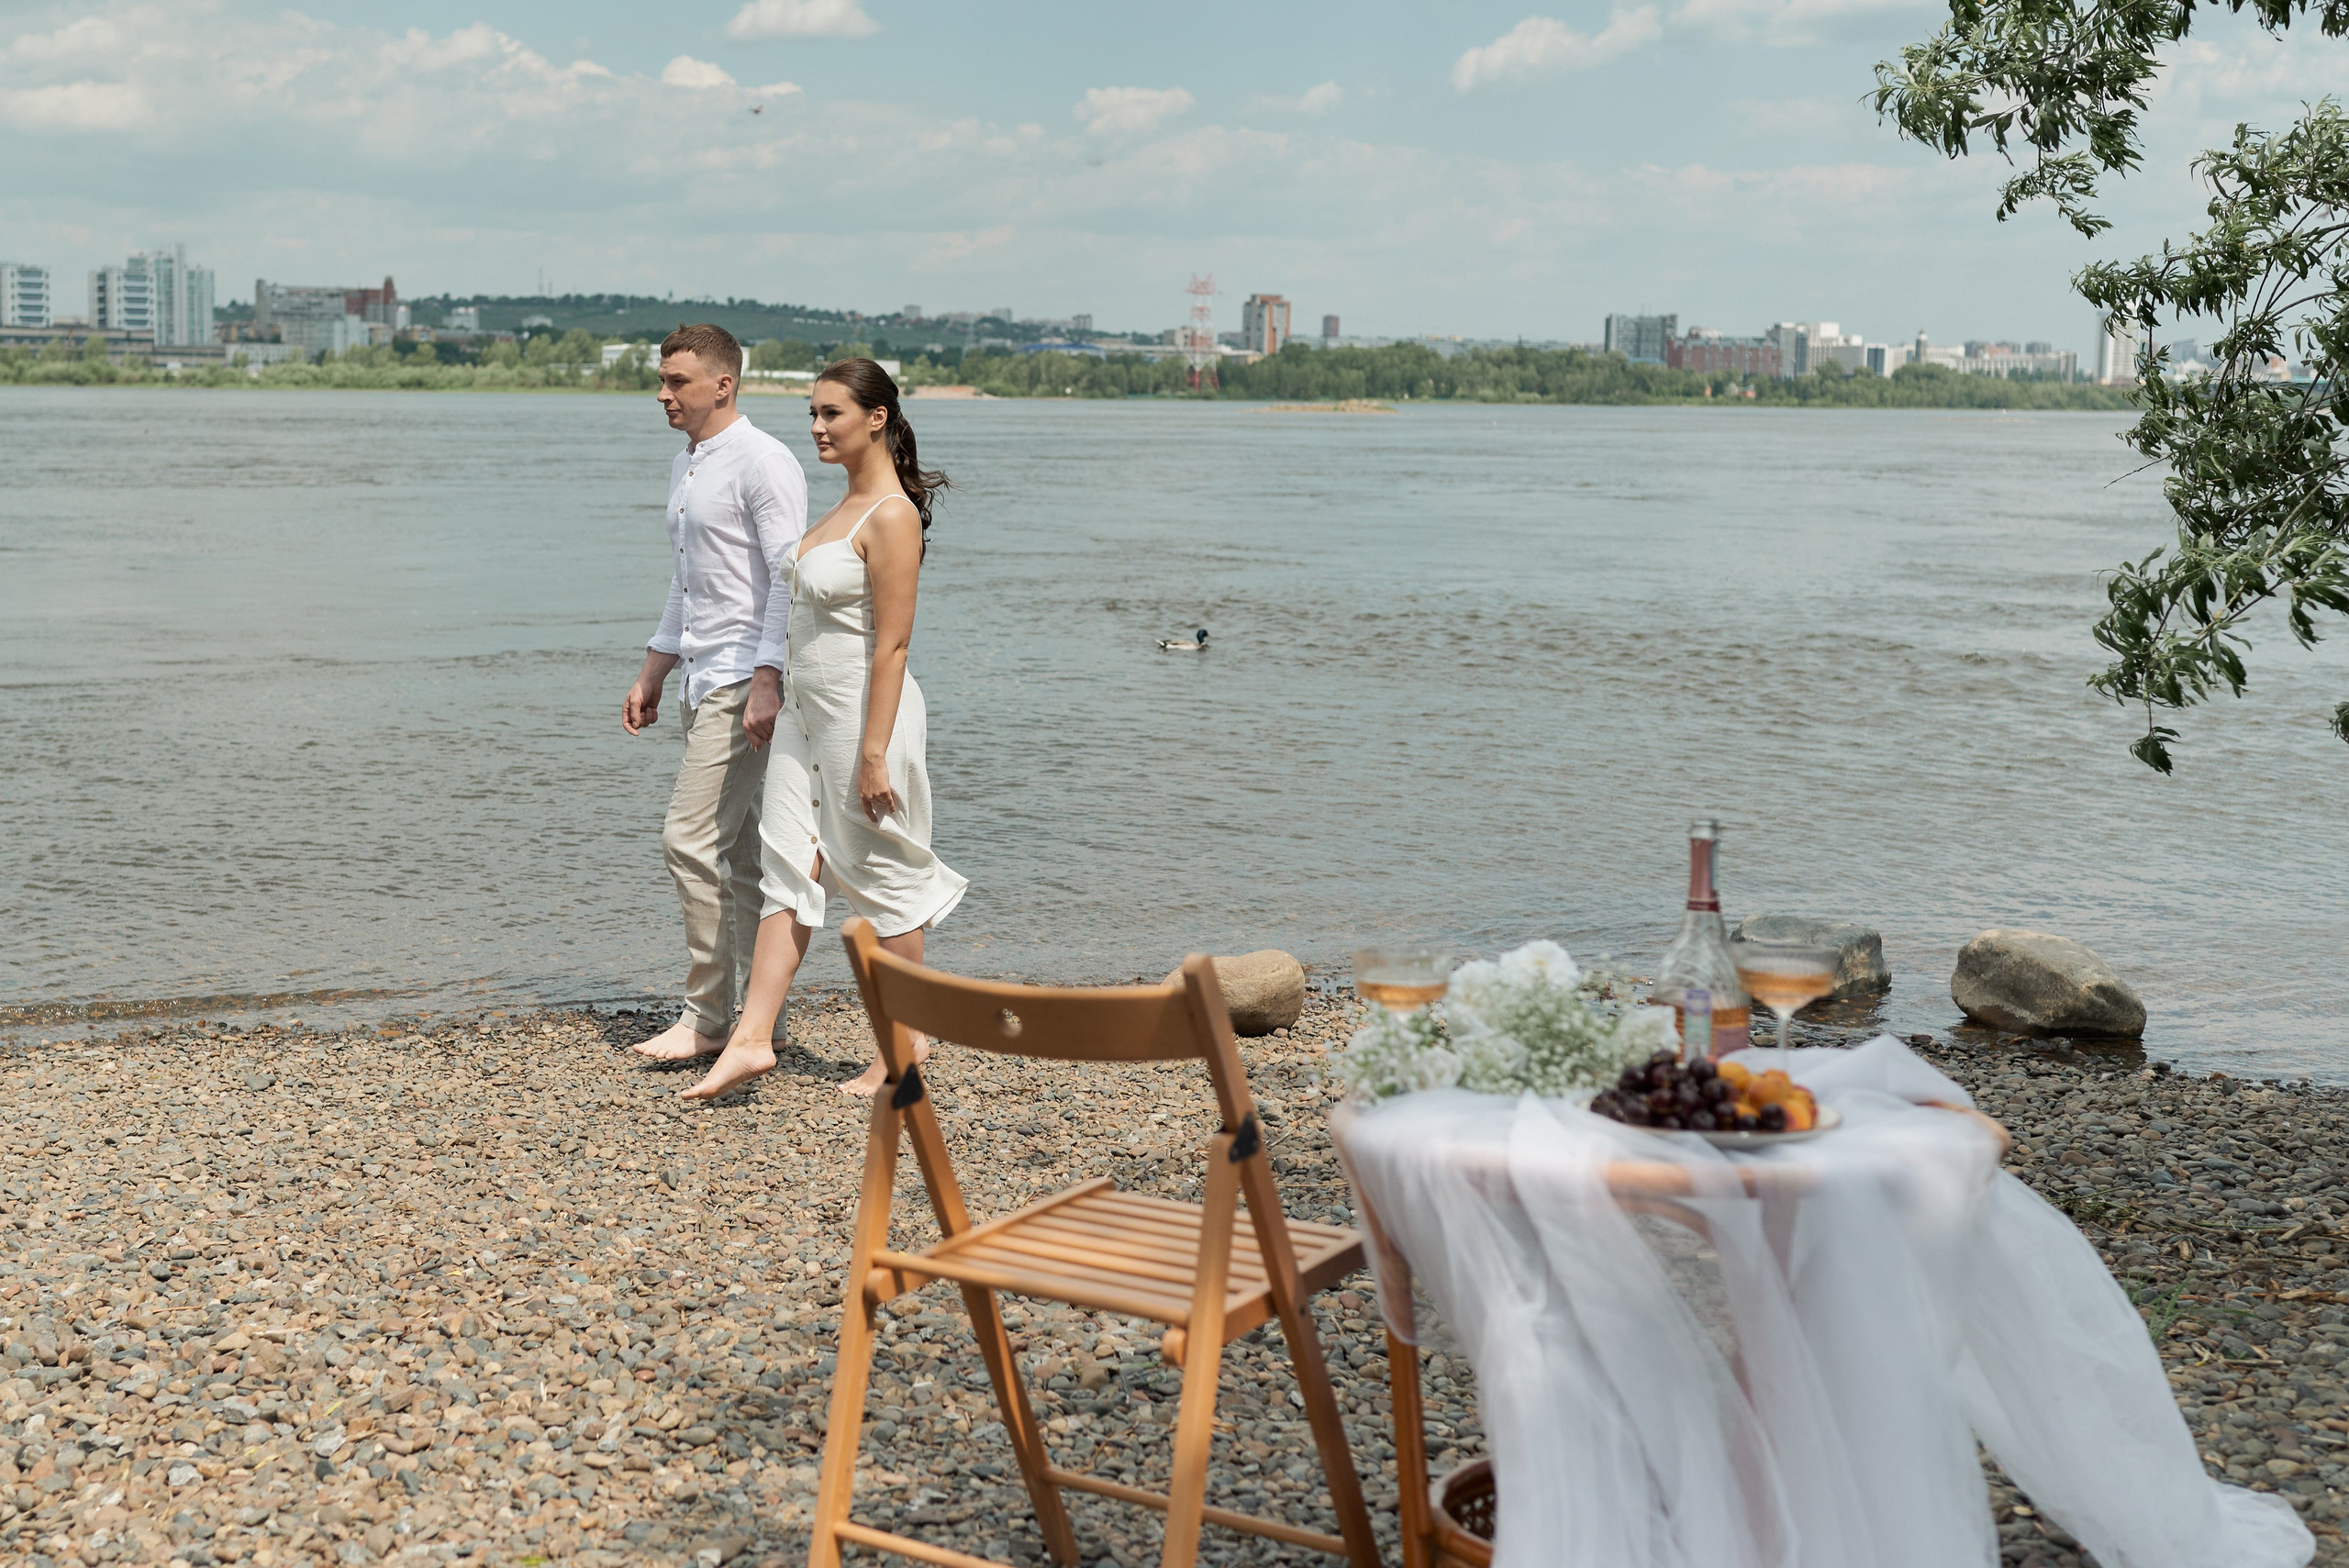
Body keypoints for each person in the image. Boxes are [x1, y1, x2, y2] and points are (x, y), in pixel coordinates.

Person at [683, 358, 964, 1101]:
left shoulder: (893, 517)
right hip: (805, 719)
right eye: (812, 412)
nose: (816, 426)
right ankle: (749, 1039)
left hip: (861, 718)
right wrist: (770, 691)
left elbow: (894, 645)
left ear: (876, 418)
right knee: (785, 868)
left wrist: (874, 753)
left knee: (881, 873)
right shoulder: (836, 512)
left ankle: (905, 1044)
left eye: (831, 413)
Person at [621, 324, 807, 1065]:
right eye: (661, 380)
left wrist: (767, 678)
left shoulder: (764, 461)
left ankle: (706, 1015)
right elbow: (687, 578)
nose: (663, 394)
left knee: (688, 837)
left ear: (723, 384)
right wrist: (654, 669)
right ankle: (763, 1020)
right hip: (706, 671)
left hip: (742, 677)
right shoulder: (689, 461)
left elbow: (789, 576)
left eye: (678, 382)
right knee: (739, 853)